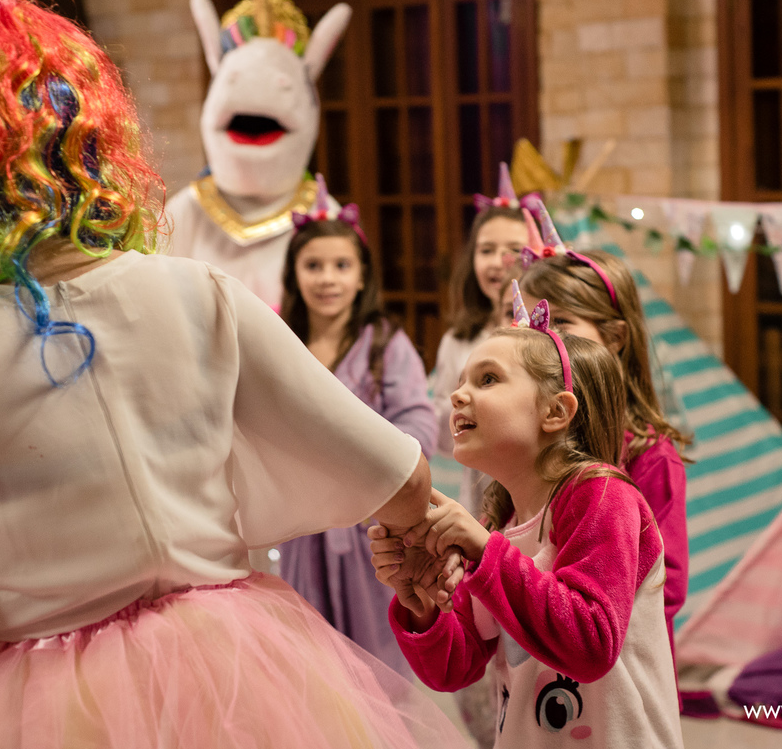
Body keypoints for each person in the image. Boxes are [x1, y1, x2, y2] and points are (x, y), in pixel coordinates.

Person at [0, 0, 466, 749]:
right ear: (89, 138)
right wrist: (421, 542)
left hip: (30, 707)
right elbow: (396, 475)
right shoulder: (197, 292)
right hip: (241, 677)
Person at [370, 290, 685, 748]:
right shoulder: (498, 523)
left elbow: (591, 644)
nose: (457, 394)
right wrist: (422, 604)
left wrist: (485, 552)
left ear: (555, 412)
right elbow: (454, 670)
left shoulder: (602, 495)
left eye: (488, 379)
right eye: (461, 381)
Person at [277, 176, 437, 676]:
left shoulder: (385, 345)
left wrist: (372, 467)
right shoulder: (280, 341)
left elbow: (419, 423)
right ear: (294, 273)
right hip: (304, 528)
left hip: (373, 530)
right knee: (311, 663)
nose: (327, 279)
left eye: (341, 266)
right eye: (313, 266)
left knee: (375, 664)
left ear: (363, 275)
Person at [518, 202, 690, 663]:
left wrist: (585, 621)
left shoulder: (651, 456)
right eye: (534, 323)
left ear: (614, 338)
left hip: (622, 665)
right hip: (542, 653)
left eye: (562, 322)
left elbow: (667, 583)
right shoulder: (537, 440)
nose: (544, 338)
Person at [431, 163, 536, 516]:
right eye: (486, 250)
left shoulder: (545, 340)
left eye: (513, 249)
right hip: (480, 501)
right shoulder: (457, 341)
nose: (499, 262)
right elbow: (443, 437)